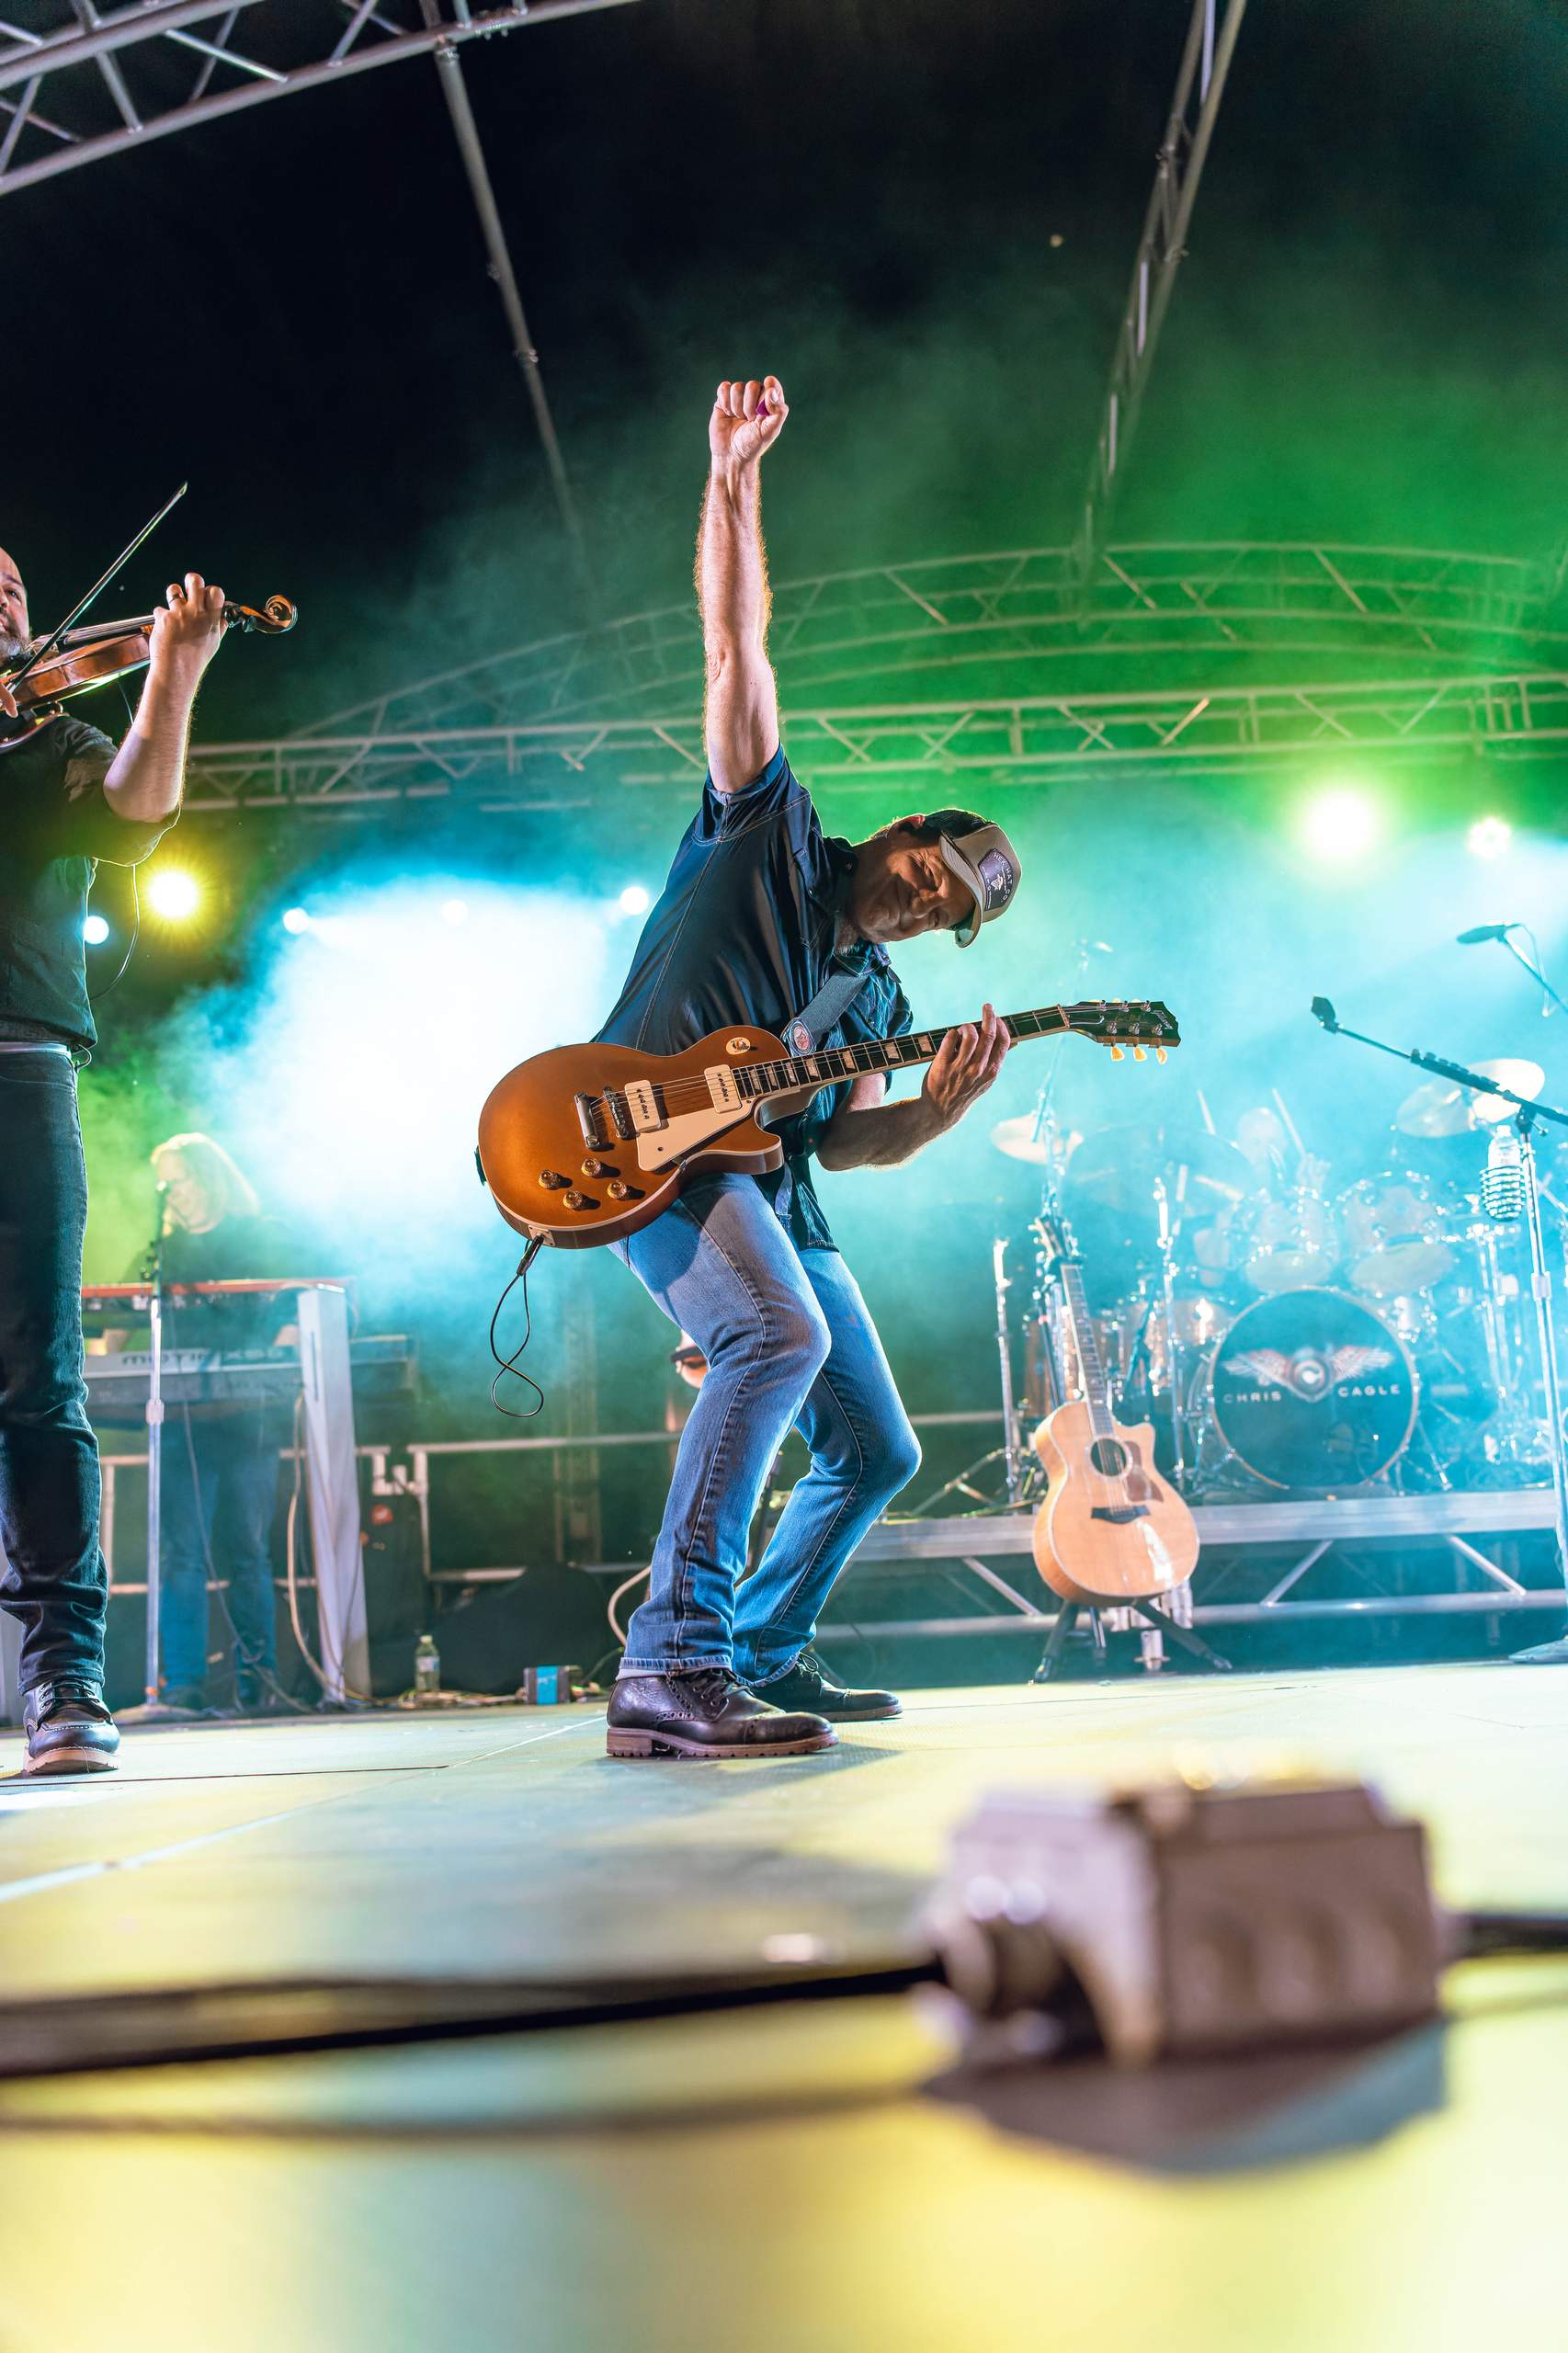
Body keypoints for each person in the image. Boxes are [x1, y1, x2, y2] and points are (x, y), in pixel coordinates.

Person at [599, 375, 1023, 1761]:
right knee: (774, 1336)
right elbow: (734, 644)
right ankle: (672, 1660)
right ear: (901, 831)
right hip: (648, 1145)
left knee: (879, 1451)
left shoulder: (880, 994)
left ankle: (764, 1652)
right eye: (927, 872)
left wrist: (938, 1114)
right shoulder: (768, 832)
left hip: (777, 1192)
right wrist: (732, 477)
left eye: (948, 912)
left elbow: (845, 1147)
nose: (922, 904)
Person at [0, 551, 229, 1773]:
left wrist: (174, 672)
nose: (3, 605)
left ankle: (63, 1679)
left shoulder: (54, 740)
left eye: (14, 594)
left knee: (38, 1382)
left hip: (18, 1066)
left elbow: (140, 809)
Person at [143, 1132, 299, 1715]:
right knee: (181, 1552)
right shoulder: (163, 1252)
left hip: (250, 1415)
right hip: (186, 1419)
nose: (168, 1192)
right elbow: (129, 1317)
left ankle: (258, 1682)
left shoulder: (259, 1237)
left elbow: (290, 1302)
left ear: (206, 1177)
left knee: (248, 1552)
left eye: (175, 1177)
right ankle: (181, 1687)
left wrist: (277, 1352)